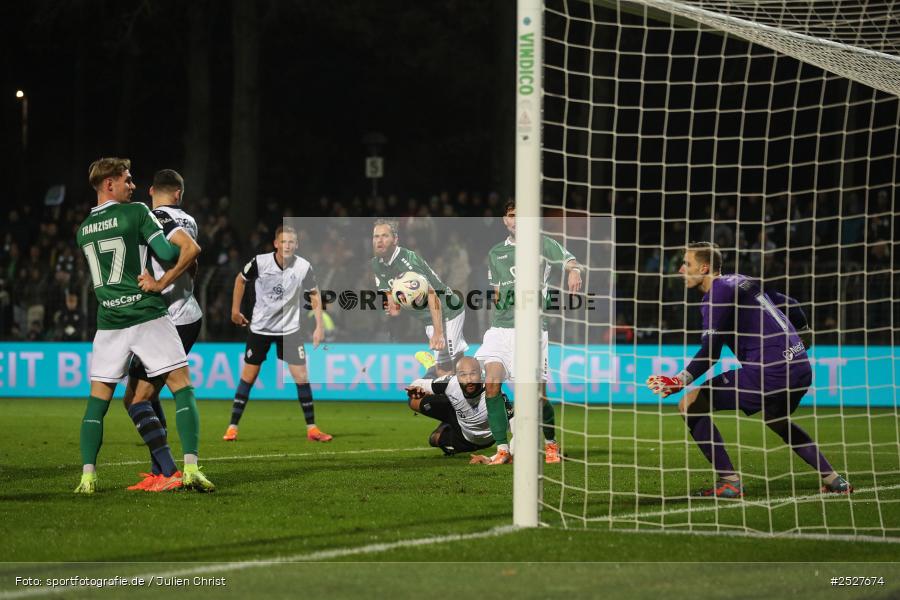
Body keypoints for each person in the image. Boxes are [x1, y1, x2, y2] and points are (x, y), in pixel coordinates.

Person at [646, 241, 852, 497]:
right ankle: (833, 479)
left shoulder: (716, 295)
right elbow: (792, 303)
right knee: (776, 419)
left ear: (705, 267)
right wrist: (804, 333)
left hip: (769, 373)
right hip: (800, 367)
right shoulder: (743, 280)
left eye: (686, 264)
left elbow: (711, 352)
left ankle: (729, 481)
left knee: (689, 403)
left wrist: (679, 380)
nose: (680, 270)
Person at [73, 157, 212, 494]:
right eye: (127, 179)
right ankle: (188, 469)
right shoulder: (136, 212)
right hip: (147, 313)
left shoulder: (81, 232)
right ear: (109, 184)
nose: (133, 186)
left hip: (109, 321)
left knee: (98, 403)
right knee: (182, 387)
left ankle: (88, 477)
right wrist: (163, 278)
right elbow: (167, 250)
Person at [474, 201, 582, 465]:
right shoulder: (495, 253)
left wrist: (574, 272)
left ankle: (551, 444)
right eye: (512, 216)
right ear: (505, 220)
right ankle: (502, 449)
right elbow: (498, 291)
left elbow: (570, 260)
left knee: (538, 395)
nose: (517, 221)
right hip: (500, 329)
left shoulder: (542, 244)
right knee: (492, 384)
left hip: (532, 330)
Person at [123, 169, 212, 491]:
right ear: (179, 193)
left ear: (151, 191)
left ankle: (170, 471)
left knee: (137, 399)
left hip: (171, 318)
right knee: (142, 395)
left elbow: (191, 252)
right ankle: (159, 470)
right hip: (184, 313)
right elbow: (193, 263)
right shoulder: (189, 220)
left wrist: (160, 282)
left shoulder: (155, 216)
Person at [224, 225, 331, 442]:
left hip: (289, 330)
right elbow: (240, 280)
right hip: (260, 329)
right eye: (284, 242)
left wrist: (319, 326)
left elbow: (314, 294)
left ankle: (312, 429)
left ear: (297, 245)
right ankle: (232, 427)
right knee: (249, 376)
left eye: (291, 242)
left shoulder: (303, 267)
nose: (288, 245)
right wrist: (235, 310)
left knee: (301, 377)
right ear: (276, 244)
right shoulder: (260, 262)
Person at [371, 219, 468, 377]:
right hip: (429, 319)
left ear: (395, 239)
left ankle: (470, 388)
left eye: (384, 236)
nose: (379, 241)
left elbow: (432, 296)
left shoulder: (409, 261)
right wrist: (393, 306)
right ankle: (449, 392)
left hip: (448, 310)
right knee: (442, 369)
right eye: (376, 236)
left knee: (455, 363)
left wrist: (438, 332)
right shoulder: (377, 264)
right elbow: (392, 301)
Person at [406, 356, 512, 458]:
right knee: (413, 401)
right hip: (454, 409)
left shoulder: (493, 395)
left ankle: (446, 426)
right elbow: (419, 383)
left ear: (480, 373)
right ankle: (432, 367)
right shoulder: (451, 382)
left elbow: (515, 424)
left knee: (434, 439)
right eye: (463, 375)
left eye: (473, 374)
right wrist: (416, 387)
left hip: (467, 438)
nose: (469, 379)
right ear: (457, 376)